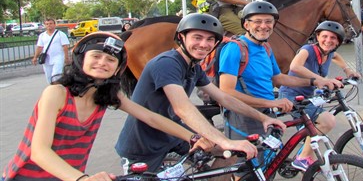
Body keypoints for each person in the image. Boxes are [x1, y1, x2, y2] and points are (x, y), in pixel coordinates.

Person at [2, 32, 214, 181]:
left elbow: (151, 117)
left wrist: (192, 137)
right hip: (29, 175)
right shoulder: (56, 93)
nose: (103, 62)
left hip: (69, 175)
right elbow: (39, 152)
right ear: (80, 59)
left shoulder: (106, 95)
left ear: (118, 68)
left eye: (111, 60)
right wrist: (82, 178)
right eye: (96, 56)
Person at [115, 13, 285, 173]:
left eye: (210, 39)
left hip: (172, 136)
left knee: (230, 156)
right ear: (181, 37)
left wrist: (263, 117)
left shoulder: (193, 67)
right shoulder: (167, 63)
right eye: (197, 37)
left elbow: (224, 98)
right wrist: (224, 141)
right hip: (143, 146)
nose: (204, 44)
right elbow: (183, 108)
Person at [218, 1, 341, 179]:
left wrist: (314, 81)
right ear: (246, 24)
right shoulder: (235, 48)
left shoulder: (266, 48)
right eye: (257, 21)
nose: (264, 26)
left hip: (267, 113)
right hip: (243, 116)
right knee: (246, 170)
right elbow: (227, 91)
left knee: (266, 165)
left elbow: (278, 78)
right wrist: (272, 102)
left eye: (268, 22)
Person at [279, 21, 361, 171]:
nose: (328, 40)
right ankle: (302, 159)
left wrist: (347, 70)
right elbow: (295, 67)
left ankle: (305, 153)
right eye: (324, 36)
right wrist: (322, 80)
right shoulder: (308, 50)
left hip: (308, 96)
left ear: (338, 42)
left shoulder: (329, 53)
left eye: (333, 38)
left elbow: (336, 56)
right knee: (325, 122)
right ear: (317, 36)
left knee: (317, 127)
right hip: (291, 95)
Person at [32, 18, 70, 83]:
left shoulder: (60, 34)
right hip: (47, 59)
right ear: (45, 25)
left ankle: (57, 88)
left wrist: (66, 58)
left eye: (50, 23)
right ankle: (52, 88)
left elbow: (65, 46)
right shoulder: (42, 35)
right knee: (48, 76)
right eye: (47, 24)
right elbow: (40, 47)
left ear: (54, 25)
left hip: (58, 57)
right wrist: (35, 57)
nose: (49, 25)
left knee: (56, 74)